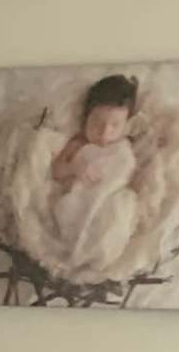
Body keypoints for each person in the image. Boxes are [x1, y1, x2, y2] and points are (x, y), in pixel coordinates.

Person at [47, 73, 140, 257]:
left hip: (109, 201)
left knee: (119, 215)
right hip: (79, 203)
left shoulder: (124, 148)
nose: (105, 133)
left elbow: (129, 177)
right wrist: (74, 167)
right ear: (85, 118)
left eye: (115, 125)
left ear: (126, 125)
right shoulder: (79, 143)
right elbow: (56, 171)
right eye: (97, 123)